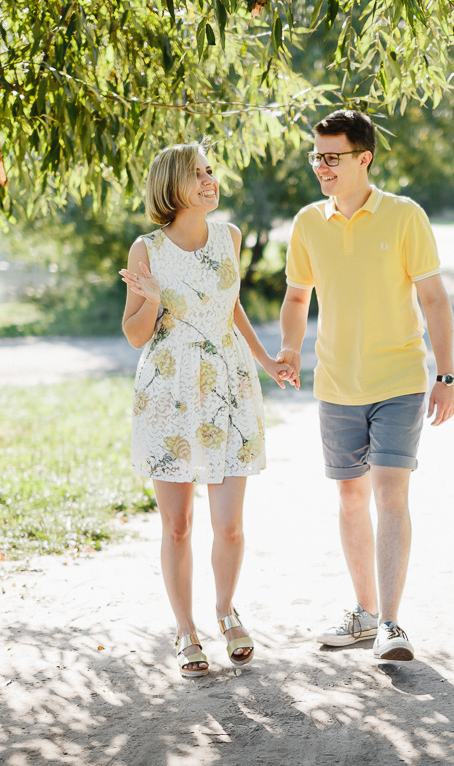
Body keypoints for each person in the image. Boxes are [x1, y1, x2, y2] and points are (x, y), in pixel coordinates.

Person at [277, 110, 454, 661]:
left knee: (390, 493)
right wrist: (290, 348)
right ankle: (365, 613)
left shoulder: (404, 216)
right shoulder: (308, 222)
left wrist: (445, 375)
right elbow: (296, 297)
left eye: (332, 157)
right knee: (351, 496)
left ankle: (392, 625)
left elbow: (433, 298)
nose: (321, 167)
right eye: (317, 157)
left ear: (364, 159)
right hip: (336, 384)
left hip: (399, 379)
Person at [121, 141, 296, 678]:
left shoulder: (230, 237)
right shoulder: (145, 248)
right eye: (197, 173)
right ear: (171, 184)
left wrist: (267, 361)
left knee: (230, 526)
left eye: (210, 171)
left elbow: (231, 305)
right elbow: (134, 335)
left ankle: (225, 611)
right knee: (177, 526)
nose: (209, 180)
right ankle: (185, 630)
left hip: (228, 384)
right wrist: (153, 300)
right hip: (168, 389)